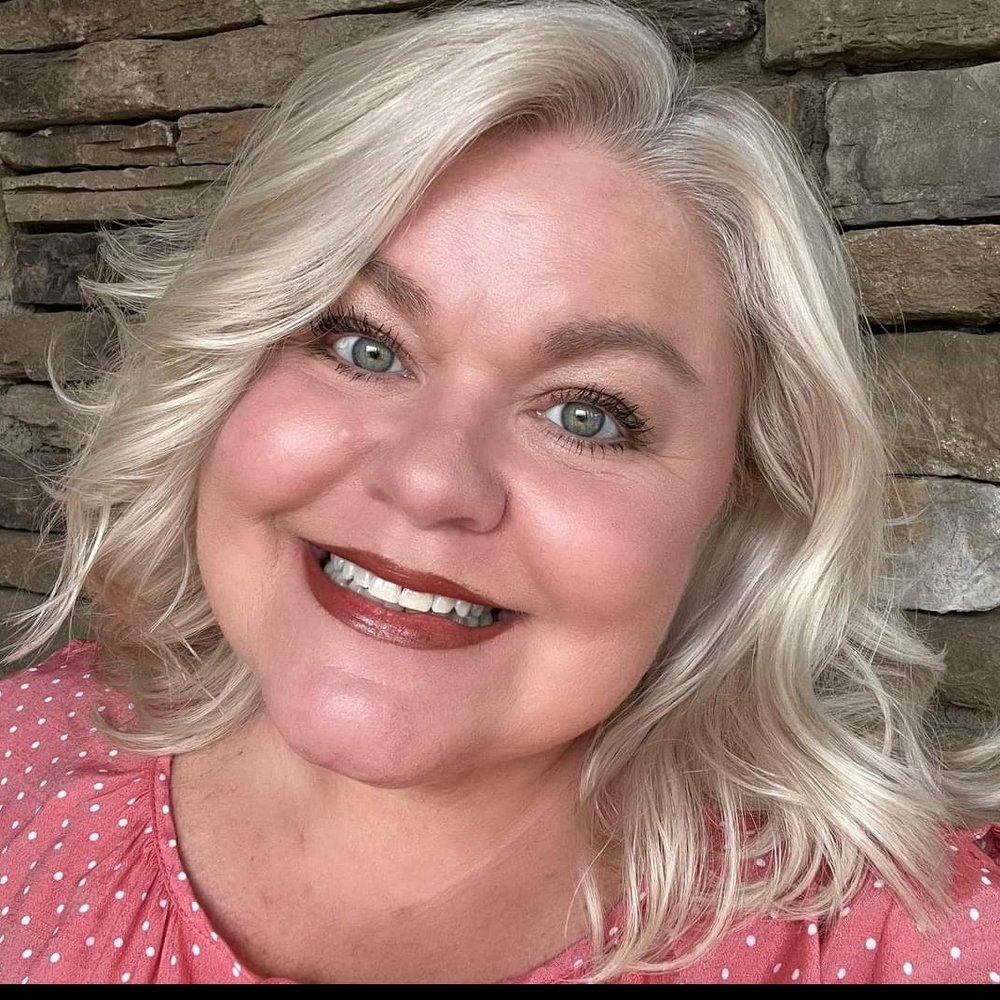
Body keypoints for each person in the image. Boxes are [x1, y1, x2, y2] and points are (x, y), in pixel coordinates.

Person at [1, 0, 998, 985]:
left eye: (587, 414)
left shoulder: (915, 939)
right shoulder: (22, 749)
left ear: (740, 501)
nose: (429, 480)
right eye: (364, 345)